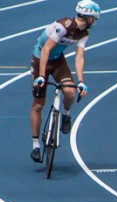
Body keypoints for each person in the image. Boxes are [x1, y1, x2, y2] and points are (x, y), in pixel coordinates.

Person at [29, 1, 101, 163]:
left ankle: (65, 115)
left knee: (69, 92)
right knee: (38, 105)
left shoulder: (84, 34)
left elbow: (79, 57)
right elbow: (46, 49)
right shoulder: (63, 26)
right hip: (40, 60)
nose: (94, 22)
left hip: (58, 62)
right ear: (88, 17)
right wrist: (41, 76)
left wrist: (81, 81)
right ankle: (35, 144)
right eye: (94, 18)